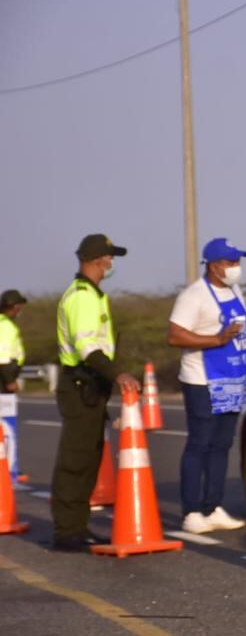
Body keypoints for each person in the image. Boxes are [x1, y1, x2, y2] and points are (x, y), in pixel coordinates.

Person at [168, 238, 246, 534]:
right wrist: (216, 340)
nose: (236, 267)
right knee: (200, 443)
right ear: (213, 266)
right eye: (230, 262)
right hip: (203, 380)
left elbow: (240, 321)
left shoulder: (234, 290)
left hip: (233, 378)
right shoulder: (194, 296)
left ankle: (213, 507)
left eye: (238, 261)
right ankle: (191, 512)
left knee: (222, 445)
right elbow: (175, 335)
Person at [52, 234, 140, 552]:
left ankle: (78, 526)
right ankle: (67, 531)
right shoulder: (81, 297)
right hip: (80, 383)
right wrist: (119, 374)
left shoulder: (93, 295)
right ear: (96, 259)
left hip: (91, 386)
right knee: (75, 460)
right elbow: (87, 348)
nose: (111, 262)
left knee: (89, 459)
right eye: (109, 257)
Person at [0, 289, 28, 484]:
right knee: (5, 425)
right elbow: (3, 358)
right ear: (14, 306)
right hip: (3, 380)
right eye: (19, 306)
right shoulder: (6, 326)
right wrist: (10, 380)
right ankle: (8, 469)